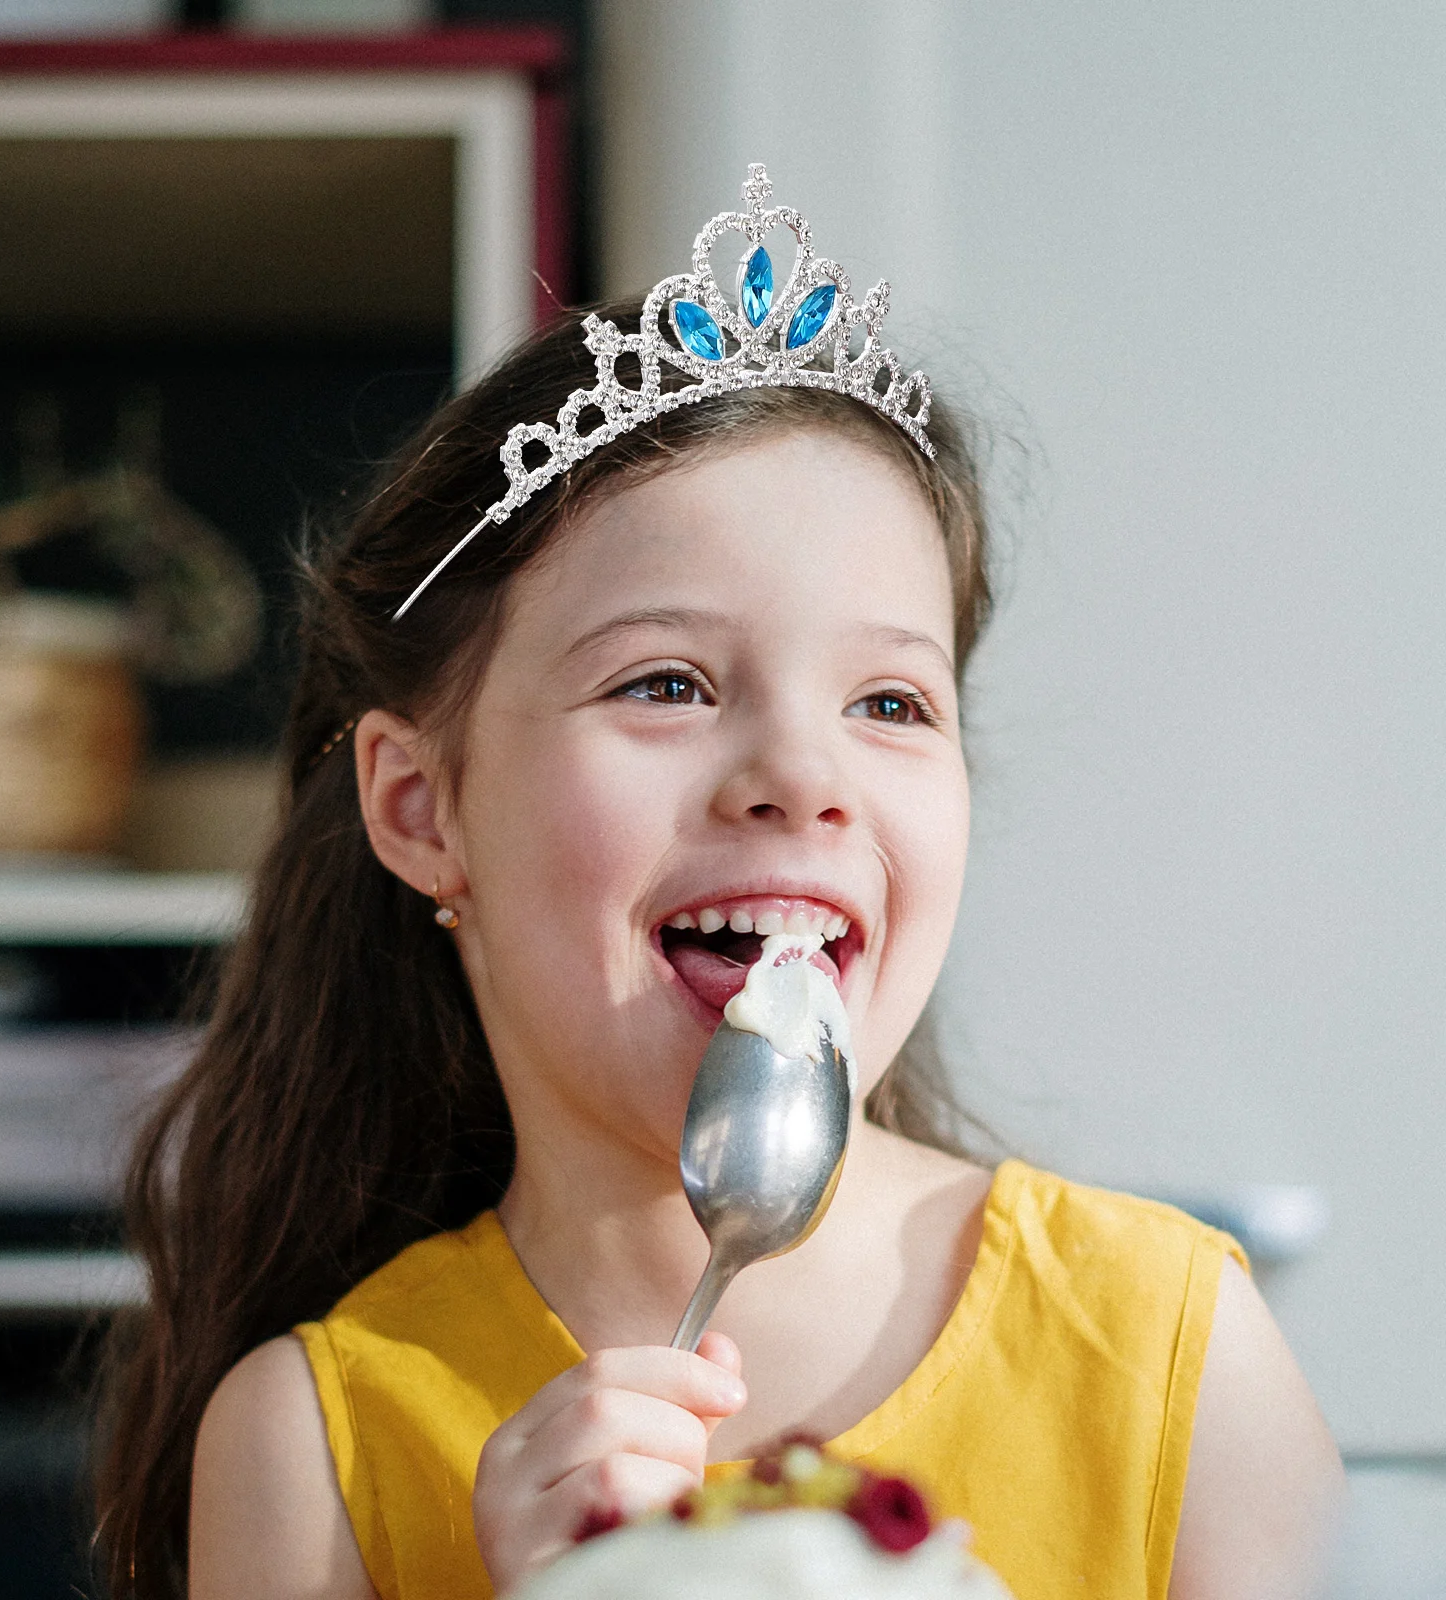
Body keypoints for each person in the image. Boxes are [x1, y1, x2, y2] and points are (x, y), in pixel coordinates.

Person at [96, 169, 1345, 1600]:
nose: (802, 777)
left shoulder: (1173, 1348)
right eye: (670, 682)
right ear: (421, 805)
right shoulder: (311, 1439)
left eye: (889, 704)